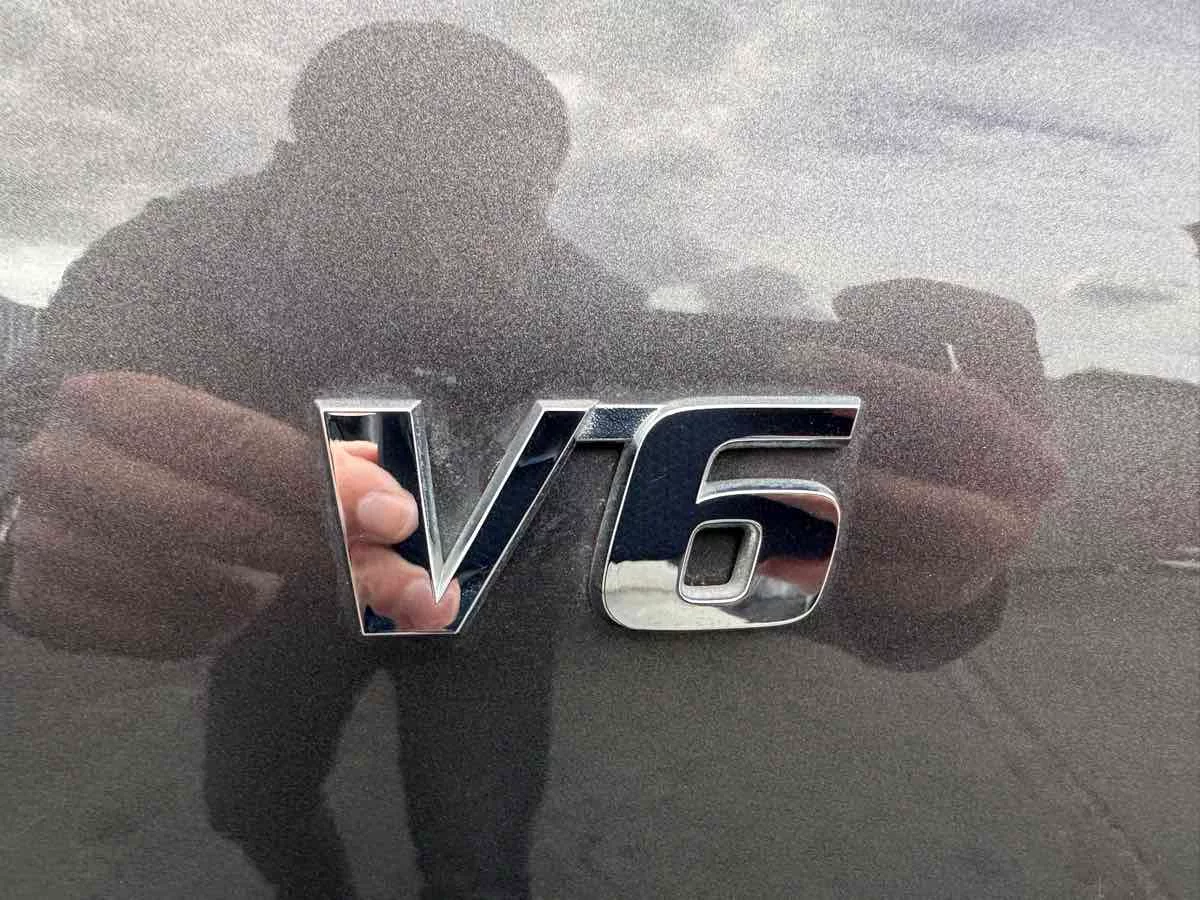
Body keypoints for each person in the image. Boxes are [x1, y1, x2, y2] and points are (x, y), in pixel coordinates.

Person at [0, 19, 1062, 899]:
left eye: (493, 209)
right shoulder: (168, 257)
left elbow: (758, 485)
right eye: (386, 195)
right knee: (251, 804)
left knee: (477, 862)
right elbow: (47, 436)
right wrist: (30, 536)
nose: (442, 250)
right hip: (293, 583)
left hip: (484, 600)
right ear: (293, 168)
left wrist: (930, 577)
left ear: (538, 205)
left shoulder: (581, 298)